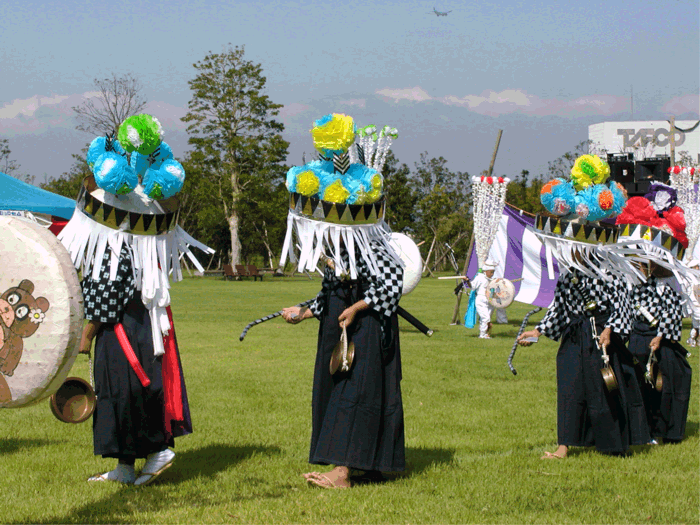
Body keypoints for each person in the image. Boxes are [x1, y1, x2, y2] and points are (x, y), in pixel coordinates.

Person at [282, 241, 405, 489]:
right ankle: (369, 466)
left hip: (367, 325)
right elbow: (329, 291)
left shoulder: (375, 246)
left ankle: (342, 471)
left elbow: (392, 285)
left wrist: (357, 307)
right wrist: (304, 312)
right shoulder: (333, 250)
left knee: (356, 392)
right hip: (337, 323)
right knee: (334, 390)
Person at [517, 262, 650, 459]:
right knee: (570, 388)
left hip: (602, 333)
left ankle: (613, 444)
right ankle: (563, 446)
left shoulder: (610, 269)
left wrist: (609, 329)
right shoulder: (567, 273)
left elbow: (622, 304)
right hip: (574, 335)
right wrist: (538, 331)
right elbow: (558, 307)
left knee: (605, 387)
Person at [628, 262, 692, 444]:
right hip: (637, 338)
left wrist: (661, 335)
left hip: (660, 338)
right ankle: (642, 431)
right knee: (640, 386)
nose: (640, 268)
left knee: (669, 383)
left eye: (643, 265)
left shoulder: (664, 284)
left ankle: (667, 431)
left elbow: (672, 310)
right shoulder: (630, 284)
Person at [468, 261, 496, 338]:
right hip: (481, 301)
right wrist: (467, 281)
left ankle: (486, 333)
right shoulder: (479, 278)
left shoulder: (492, 279)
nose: (492, 274)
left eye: (493, 272)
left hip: (490, 301)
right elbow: (472, 286)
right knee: (485, 318)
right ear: (486, 271)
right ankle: (482, 334)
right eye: (491, 272)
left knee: (487, 319)